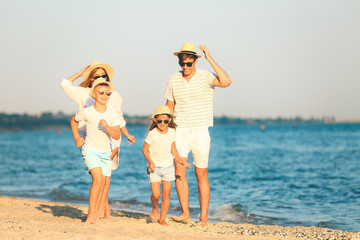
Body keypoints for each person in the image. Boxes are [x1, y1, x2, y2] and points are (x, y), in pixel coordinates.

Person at [165, 43, 231, 225]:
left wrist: (209, 58)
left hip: (201, 130)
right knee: (179, 171)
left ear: (195, 61)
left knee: (201, 174)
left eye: (188, 64)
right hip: (180, 130)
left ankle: (203, 217)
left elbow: (226, 82)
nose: (185, 67)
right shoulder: (173, 79)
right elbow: (169, 107)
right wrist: (166, 131)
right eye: (182, 64)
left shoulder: (205, 76)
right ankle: (185, 213)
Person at [61, 61, 135, 219]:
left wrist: (126, 134)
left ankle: (103, 209)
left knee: (106, 178)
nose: (101, 78)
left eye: (104, 75)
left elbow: (119, 117)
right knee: (99, 177)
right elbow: (64, 84)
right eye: (96, 76)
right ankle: (99, 210)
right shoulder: (83, 92)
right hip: (89, 137)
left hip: (111, 135)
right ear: (90, 79)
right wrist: (80, 73)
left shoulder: (113, 94)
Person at [70, 79, 120, 224]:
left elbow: (116, 135)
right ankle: (91, 215)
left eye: (108, 93)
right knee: (97, 180)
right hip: (90, 150)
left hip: (105, 153)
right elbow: (73, 121)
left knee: (103, 183)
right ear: (94, 94)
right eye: (101, 92)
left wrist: (107, 127)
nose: (105, 95)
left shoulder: (112, 113)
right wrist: (77, 138)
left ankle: (97, 212)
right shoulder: (86, 112)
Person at [142, 106, 191, 226]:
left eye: (165, 121)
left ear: (169, 120)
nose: (162, 123)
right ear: (155, 120)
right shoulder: (152, 134)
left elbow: (173, 149)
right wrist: (151, 162)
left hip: (168, 168)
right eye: (159, 121)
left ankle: (162, 219)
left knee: (166, 194)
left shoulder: (172, 132)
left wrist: (180, 160)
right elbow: (144, 149)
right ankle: (155, 207)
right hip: (154, 169)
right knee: (156, 195)